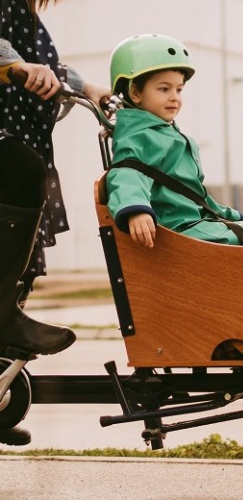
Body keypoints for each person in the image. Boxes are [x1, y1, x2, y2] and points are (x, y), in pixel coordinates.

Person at [0, 0, 110, 445]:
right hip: (9, 150)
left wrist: (93, 88)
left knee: (16, 270)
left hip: (23, 147)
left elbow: (48, 67)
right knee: (21, 171)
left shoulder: (24, 15)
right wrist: (14, 66)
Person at [106, 34, 243, 249]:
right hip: (180, 230)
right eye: (164, 89)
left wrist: (226, 214)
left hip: (195, 223)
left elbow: (193, 195)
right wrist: (136, 209)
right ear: (135, 93)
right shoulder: (140, 137)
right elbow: (127, 172)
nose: (174, 97)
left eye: (179, 89)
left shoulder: (164, 134)